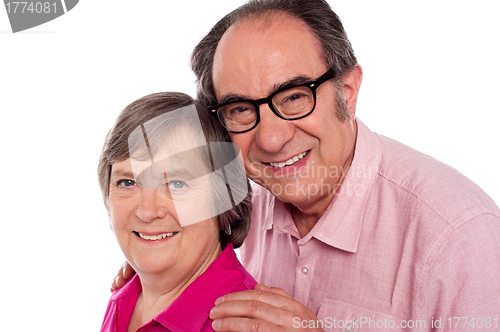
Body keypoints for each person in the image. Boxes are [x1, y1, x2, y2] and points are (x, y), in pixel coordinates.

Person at [114, 1, 500, 331]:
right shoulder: (237, 200)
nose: (271, 138)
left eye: (295, 97)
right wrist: (163, 258)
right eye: (241, 109)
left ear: (346, 94)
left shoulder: (460, 237)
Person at [98, 92, 256, 331]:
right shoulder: (126, 294)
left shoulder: (243, 323)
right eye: (128, 183)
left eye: (176, 184)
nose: (146, 212)